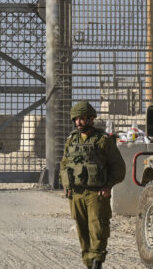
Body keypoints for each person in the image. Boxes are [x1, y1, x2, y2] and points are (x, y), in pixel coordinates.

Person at [59, 101, 127, 269]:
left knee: (98, 228)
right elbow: (64, 164)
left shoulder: (102, 140)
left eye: (82, 119)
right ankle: (88, 263)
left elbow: (119, 166)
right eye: (76, 119)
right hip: (76, 193)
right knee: (82, 230)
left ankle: (97, 262)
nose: (79, 123)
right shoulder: (72, 140)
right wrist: (66, 186)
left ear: (91, 119)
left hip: (96, 193)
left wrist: (108, 186)